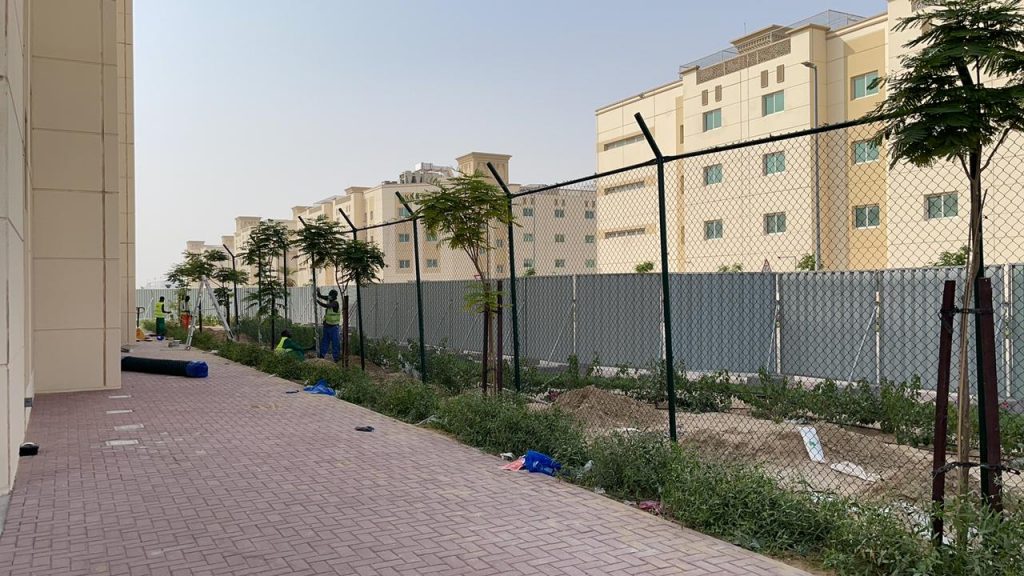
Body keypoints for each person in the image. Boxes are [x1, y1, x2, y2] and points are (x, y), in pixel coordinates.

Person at [315, 288, 342, 362]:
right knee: (325, 342)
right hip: (327, 326)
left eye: (330, 295)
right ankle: (322, 356)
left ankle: (336, 358)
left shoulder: (335, 303)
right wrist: (318, 292)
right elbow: (320, 296)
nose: (329, 296)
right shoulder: (329, 299)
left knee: (335, 343)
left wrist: (318, 302)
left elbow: (327, 306)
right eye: (329, 295)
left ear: (334, 297)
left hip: (334, 327)